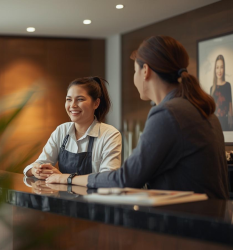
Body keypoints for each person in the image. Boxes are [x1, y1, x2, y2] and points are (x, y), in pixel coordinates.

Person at [46, 36, 229, 199]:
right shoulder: (197, 106)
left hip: (189, 225)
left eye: (135, 71)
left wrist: (67, 178)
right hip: (210, 220)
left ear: (145, 71)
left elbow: (125, 179)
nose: (134, 78)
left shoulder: (168, 113)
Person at [23, 76, 122, 179]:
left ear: (96, 103)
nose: (73, 105)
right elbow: (39, 163)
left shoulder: (110, 135)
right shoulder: (61, 130)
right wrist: (36, 170)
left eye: (80, 99)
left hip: (93, 195)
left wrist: (65, 178)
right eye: (69, 99)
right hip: (63, 195)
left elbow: (108, 178)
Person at [210, 55, 233, 131]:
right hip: (215, 124)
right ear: (215, 69)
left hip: (226, 123)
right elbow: (211, 110)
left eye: (221, 67)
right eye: (217, 67)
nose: (219, 70)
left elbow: (230, 106)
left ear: (224, 68)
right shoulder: (212, 88)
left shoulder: (227, 85)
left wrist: (231, 122)